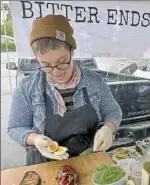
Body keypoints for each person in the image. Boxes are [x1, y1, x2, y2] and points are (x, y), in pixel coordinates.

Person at [7, 14, 122, 166]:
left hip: (88, 156)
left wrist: (109, 128)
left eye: (62, 62)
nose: (56, 72)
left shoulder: (95, 81)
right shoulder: (27, 88)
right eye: (46, 65)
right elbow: (15, 128)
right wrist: (35, 138)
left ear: (72, 52)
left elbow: (113, 111)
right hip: (45, 161)